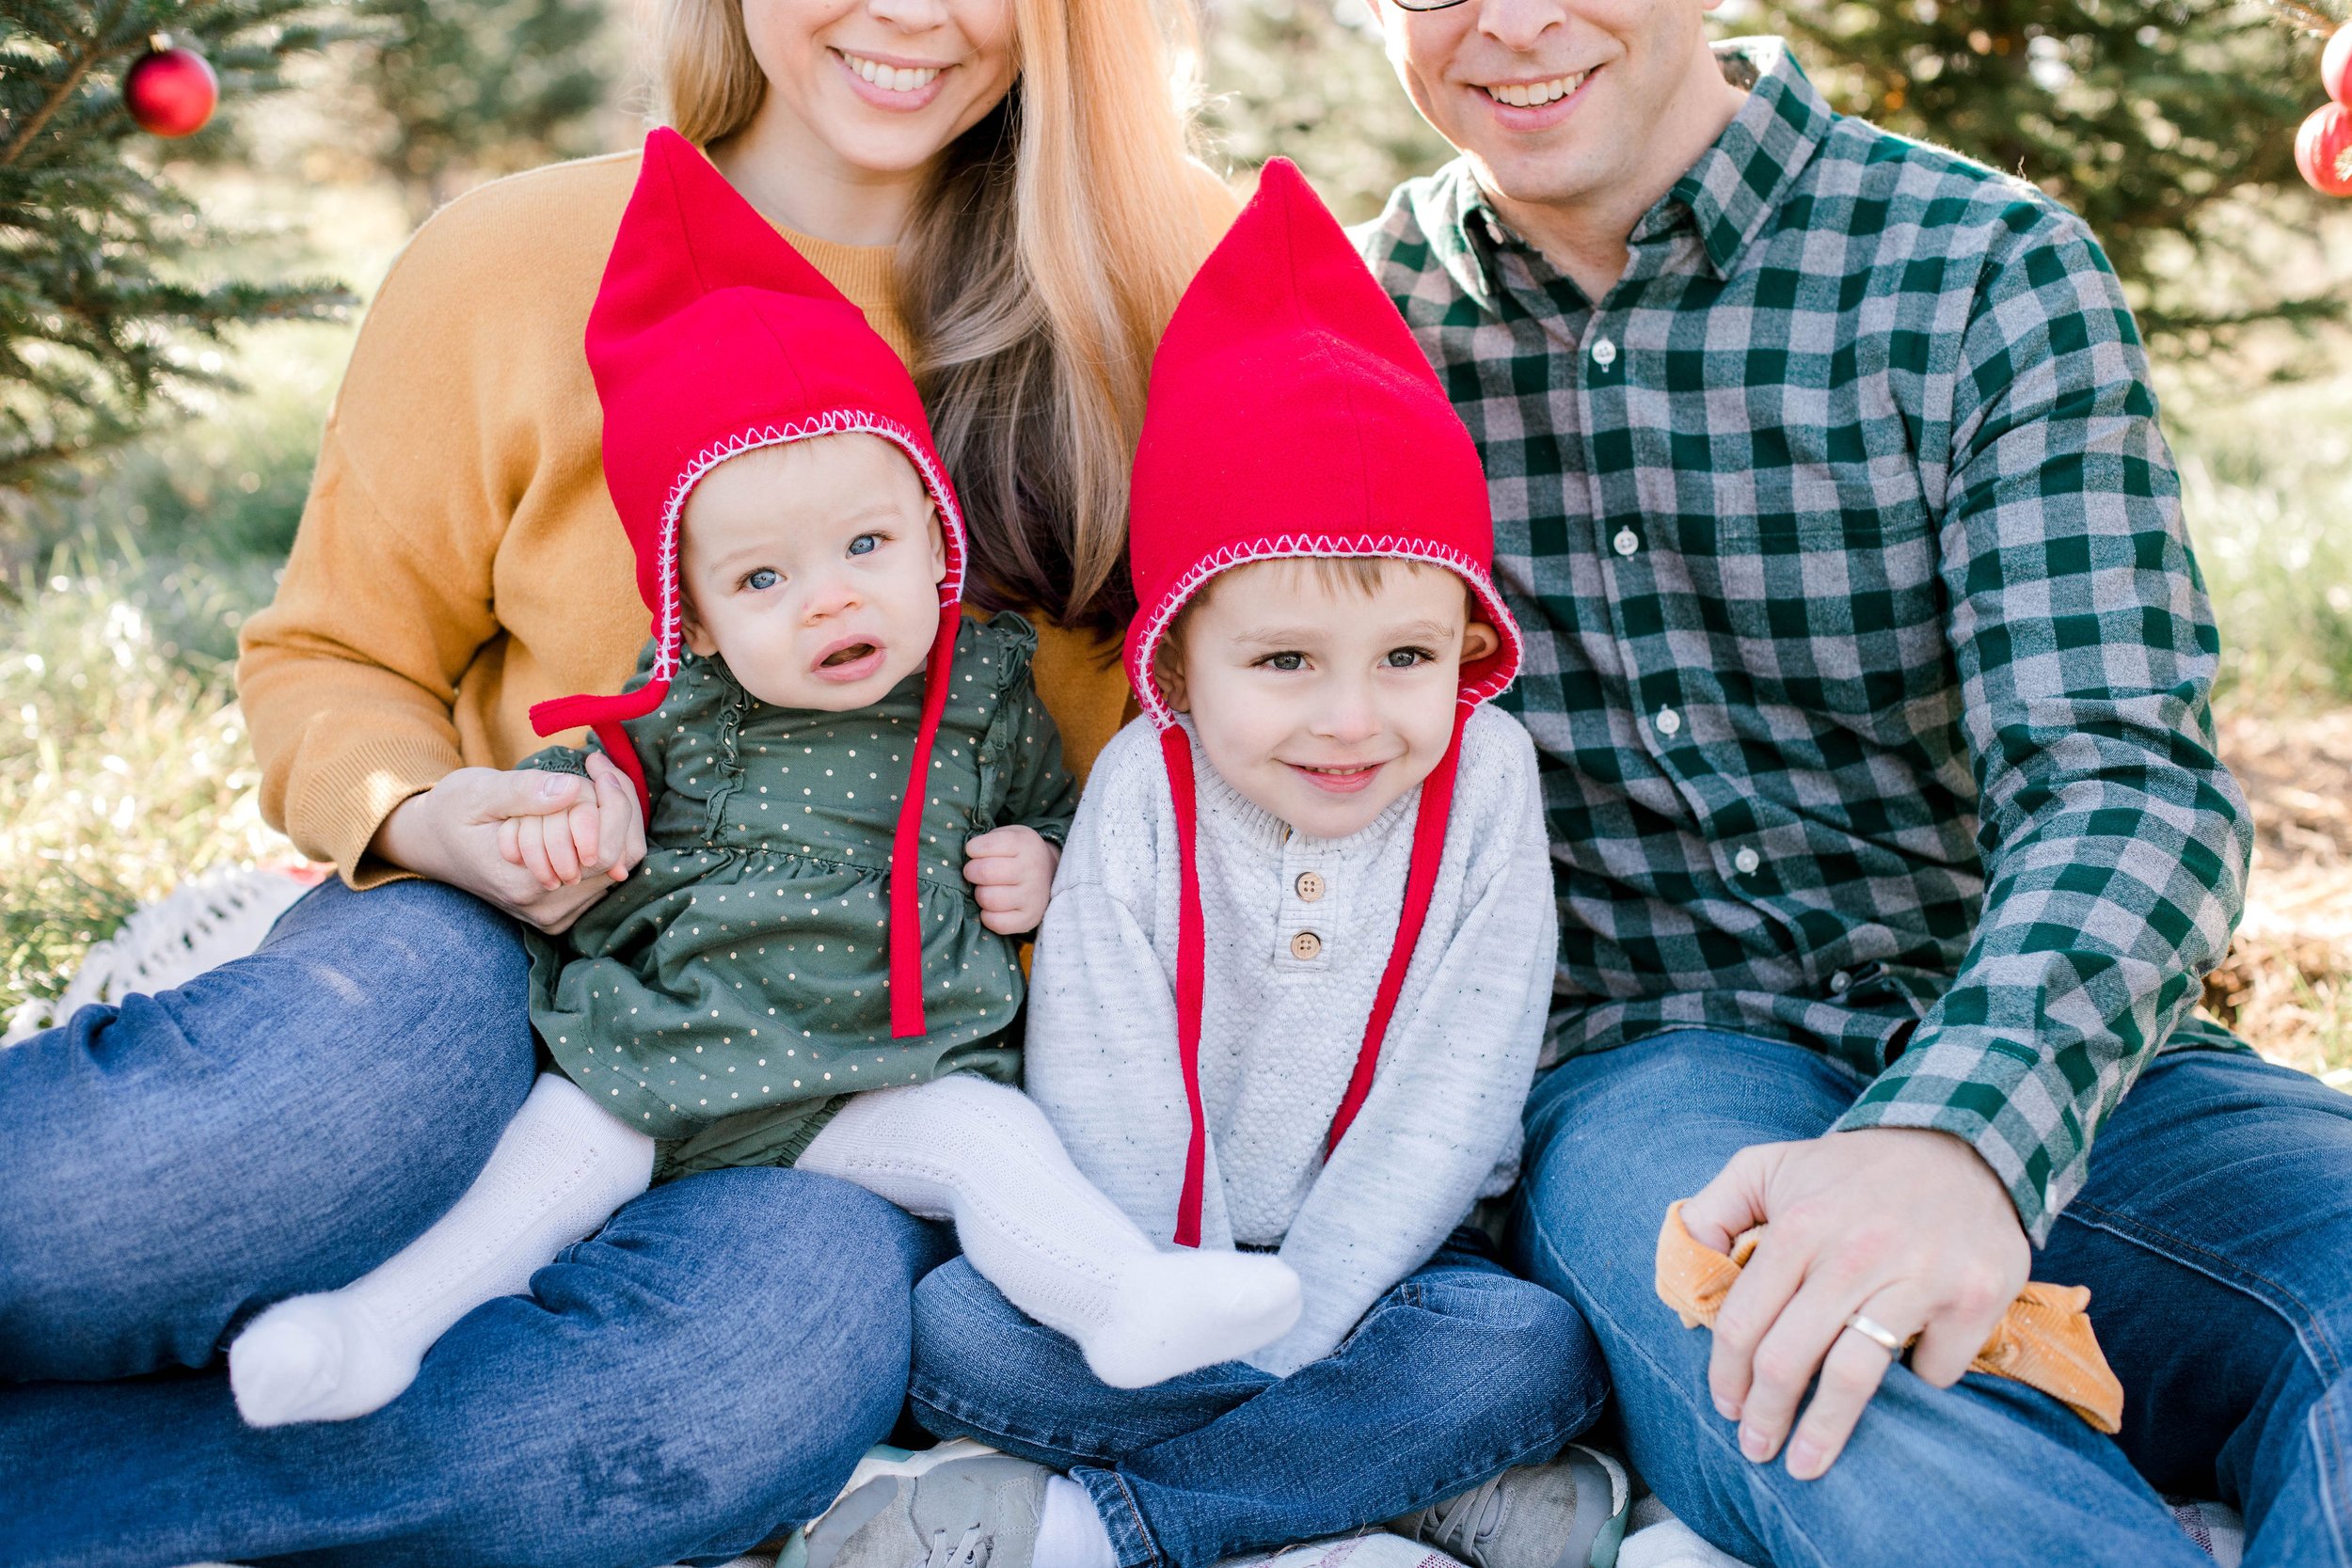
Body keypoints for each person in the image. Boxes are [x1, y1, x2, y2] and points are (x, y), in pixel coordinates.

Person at [0, 0, 1232, 1556]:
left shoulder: (1165, 276)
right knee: (305, 1119)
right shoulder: (510, 259)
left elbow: (1256, 736)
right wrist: (429, 813)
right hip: (498, 941)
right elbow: (333, 655)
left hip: (870, 1064)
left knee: (751, 1379)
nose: (913, 14)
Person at [1349, 3, 2352, 1565]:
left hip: (2057, 1042)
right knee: (1823, 1388)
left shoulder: (1979, 267)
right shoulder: (1350, 337)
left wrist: (1957, 1140)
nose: (1515, 22)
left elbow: (2121, 780)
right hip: (1651, 1069)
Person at [224, 131, 1304, 1432]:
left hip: (879, 1074)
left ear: (933, 536)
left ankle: (1124, 1299)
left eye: (866, 543)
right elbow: (585, 774)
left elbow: (1061, 806)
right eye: (764, 580)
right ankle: (372, 1330)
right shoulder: (674, 705)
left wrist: (1047, 866)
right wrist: (575, 815)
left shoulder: (983, 690)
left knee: (990, 1147)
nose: (831, 597)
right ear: (696, 612)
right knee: (540, 1175)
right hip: (656, 1056)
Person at [802, 161, 1622, 1568]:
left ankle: (1102, 1527)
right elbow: (1103, 1064)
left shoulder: (1484, 784)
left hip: (1393, 1272)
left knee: (1530, 1348)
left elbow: (1456, 1084)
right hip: (1149, 1272)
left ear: (1468, 646)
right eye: (1287, 662)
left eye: (1409, 659)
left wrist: (1305, 1316)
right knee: (956, 1329)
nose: (1354, 718)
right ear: (1178, 655)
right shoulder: (1142, 788)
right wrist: (1171, 1292)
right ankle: (1386, 1475)